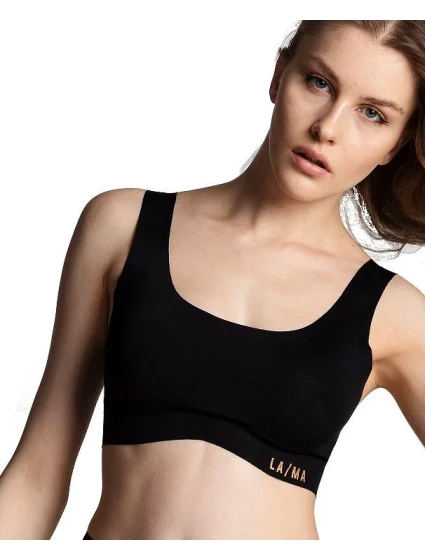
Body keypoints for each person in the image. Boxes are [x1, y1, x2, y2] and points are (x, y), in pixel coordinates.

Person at [1, 20, 425, 541]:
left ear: (395, 144)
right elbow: (37, 477)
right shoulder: (122, 228)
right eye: (318, 83)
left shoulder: (395, 313)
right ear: (279, 75)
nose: (328, 128)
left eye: (373, 113)